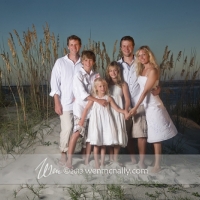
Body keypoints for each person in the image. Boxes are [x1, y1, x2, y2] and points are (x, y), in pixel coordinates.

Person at [129, 45, 177, 173]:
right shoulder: (143, 69)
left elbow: (145, 91)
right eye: (139, 55)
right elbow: (153, 85)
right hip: (147, 106)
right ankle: (155, 163)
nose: (141, 57)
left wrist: (135, 108)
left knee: (157, 136)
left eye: (144, 54)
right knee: (154, 135)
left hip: (153, 106)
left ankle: (157, 165)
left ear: (149, 55)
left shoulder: (153, 70)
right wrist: (158, 88)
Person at [118, 36, 160, 168]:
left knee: (141, 135)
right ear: (121, 48)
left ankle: (142, 162)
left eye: (129, 45)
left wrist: (159, 88)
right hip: (124, 104)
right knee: (128, 134)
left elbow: (153, 77)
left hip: (140, 104)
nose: (126, 48)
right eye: (124, 46)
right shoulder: (117, 65)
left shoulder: (140, 62)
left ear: (133, 46)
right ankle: (133, 158)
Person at [65, 50, 107, 169]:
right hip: (80, 108)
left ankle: (87, 159)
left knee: (90, 134)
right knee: (77, 132)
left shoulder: (96, 75)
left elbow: (99, 89)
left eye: (90, 60)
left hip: (93, 109)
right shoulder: (78, 75)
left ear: (93, 61)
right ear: (82, 61)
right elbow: (82, 94)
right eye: (86, 60)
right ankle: (69, 161)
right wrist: (98, 100)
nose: (88, 62)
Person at [79, 78, 129, 169]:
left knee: (103, 144)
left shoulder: (109, 98)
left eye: (104, 86)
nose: (102, 88)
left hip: (106, 122)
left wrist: (125, 112)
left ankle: (102, 163)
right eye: (100, 86)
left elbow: (117, 109)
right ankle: (97, 164)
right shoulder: (94, 98)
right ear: (96, 88)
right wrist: (82, 120)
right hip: (96, 123)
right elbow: (86, 109)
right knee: (97, 143)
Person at [50, 35, 82, 165]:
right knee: (67, 128)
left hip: (80, 103)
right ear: (68, 46)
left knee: (79, 130)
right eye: (71, 45)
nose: (74, 47)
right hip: (65, 102)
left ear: (80, 46)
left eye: (76, 44)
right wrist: (56, 102)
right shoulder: (60, 62)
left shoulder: (83, 62)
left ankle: (76, 152)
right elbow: (54, 84)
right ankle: (63, 152)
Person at [105, 61, 130, 164]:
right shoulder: (105, 84)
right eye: (110, 71)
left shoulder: (123, 84)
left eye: (115, 70)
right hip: (108, 112)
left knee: (118, 134)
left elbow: (127, 100)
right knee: (110, 134)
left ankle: (115, 159)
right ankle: (110, 158)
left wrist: (126, 111)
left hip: (119, 112)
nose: (113, 73)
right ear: (108, 72)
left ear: (118, 71)